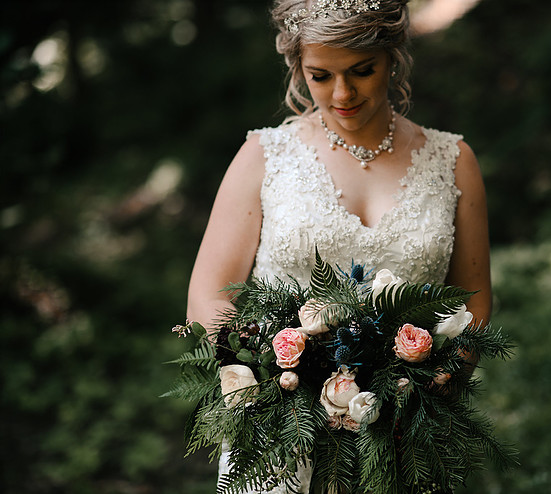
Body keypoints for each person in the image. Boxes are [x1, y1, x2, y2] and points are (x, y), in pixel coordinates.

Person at [186, 0, 491, 492]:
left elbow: (472, 298)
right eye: (320, 75)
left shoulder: (454, 161)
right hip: (280, 429)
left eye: (362, 71)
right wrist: (261, 377)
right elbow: (209, 291)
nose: (342, 93)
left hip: (403, 428)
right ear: (297, 67)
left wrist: (437, 381)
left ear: (393, 58)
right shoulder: (264, 157)